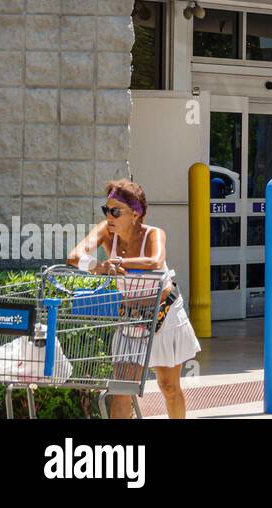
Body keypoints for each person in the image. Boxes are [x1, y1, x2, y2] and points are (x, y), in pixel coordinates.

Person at [67, 179, 201, 419]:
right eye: (106, 209)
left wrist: (117, 264)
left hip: (163, 314)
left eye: (116, 211)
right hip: (131, 318)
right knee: (121, 390)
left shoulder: (153, 233)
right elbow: (75, 256)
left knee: (168, 386)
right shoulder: (107, 231)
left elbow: (155, 261)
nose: (109, 215)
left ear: (135, 214)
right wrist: (97, 266)